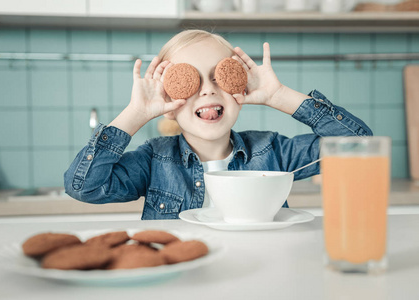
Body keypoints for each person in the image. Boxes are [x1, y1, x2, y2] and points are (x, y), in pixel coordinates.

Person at [64, 29, 372, 220]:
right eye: (191, 81)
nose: (208, 89)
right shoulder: (153, 161)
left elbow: (359, 145)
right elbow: (84, 187)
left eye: (218, 76)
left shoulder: (273, 151)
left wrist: (279, 96)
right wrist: (137, 113)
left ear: (238, 89)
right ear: (169, 105)